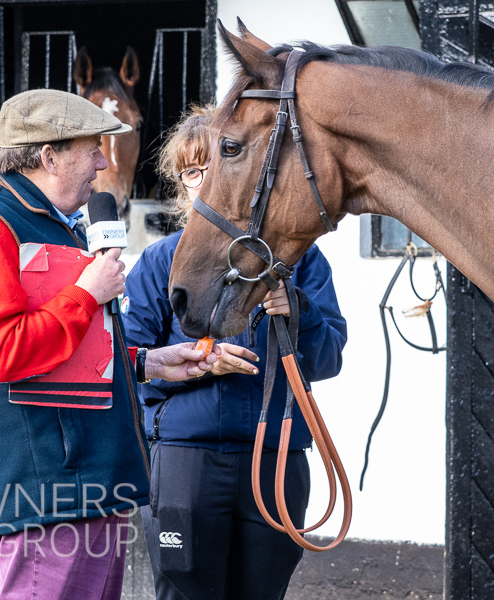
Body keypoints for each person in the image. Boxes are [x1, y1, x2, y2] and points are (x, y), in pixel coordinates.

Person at [0, 89, 217, 600]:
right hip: (48, 490)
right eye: (92, 150)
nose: (103, 164)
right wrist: (88, 292)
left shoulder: (53, 221)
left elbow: (68, 351)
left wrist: (147, 362)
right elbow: (4, 354)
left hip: (91, 483)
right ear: (49, 157)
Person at [121, 104, 348, 600]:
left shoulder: (300, 259)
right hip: (186, 458)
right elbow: (128, 362)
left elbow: (329, 358)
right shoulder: (159, 262)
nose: (204, 181)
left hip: (276, 457)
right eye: (192, 172)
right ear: (182, 185)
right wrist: (200, 361)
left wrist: (299, 311)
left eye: (216, 167)